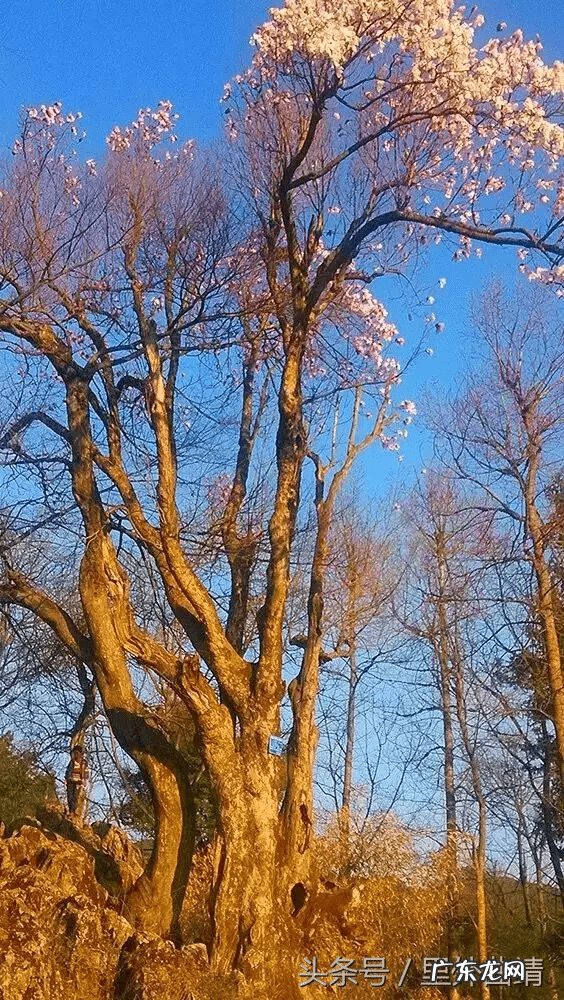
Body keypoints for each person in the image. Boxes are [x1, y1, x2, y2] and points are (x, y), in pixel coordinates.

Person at [65, 745, 88, 820]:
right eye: (74, 753)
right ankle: (71, 812)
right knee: (70, 797)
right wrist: (66, 778)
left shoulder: (83, 763)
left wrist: (83, 783)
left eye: (77, 753)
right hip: (71, 782)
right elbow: (68, 772)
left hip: (78, 783)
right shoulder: (71, 762)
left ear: (80, 754)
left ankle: (75, 814)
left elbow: (86, 774)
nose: (76, 755)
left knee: (76, 799)